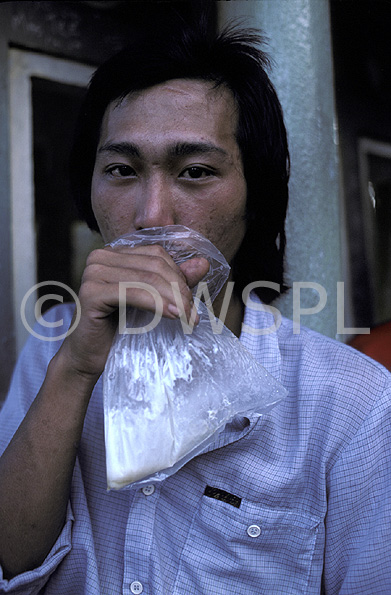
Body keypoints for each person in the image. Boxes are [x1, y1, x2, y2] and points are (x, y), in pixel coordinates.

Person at [1, 21, 391, 595]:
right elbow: (11, 557)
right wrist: (76, 367)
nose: (153, 214)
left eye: (196, 172)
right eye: (121, 171)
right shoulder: (56, 345)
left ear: (255, 195)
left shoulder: (351, 405)